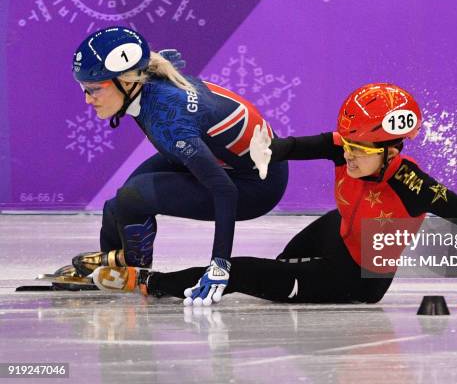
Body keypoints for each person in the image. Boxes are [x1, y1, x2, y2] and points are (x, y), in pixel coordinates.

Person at [91, 83, 457, 310]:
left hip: (356, 280)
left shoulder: (412, 185)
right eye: (344, 145)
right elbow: (292, 145)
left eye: (358, 151)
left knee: (241, 273)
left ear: (391, 150)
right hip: (336, 231)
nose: (345, 155)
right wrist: (264, 149)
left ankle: (152, 283)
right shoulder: (346, 146)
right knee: (274, 270)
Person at [64, 26, 289, 303]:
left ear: (126, 81)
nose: (87, 99)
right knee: (117, 206)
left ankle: (131, 263)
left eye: (94, 89)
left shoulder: (170, 122)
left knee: (134, 196)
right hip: (234, 157)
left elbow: (225, 190)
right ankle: (113, 268)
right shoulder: (147, 83)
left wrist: (219, 265)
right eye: (83, 88)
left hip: (257, 185)